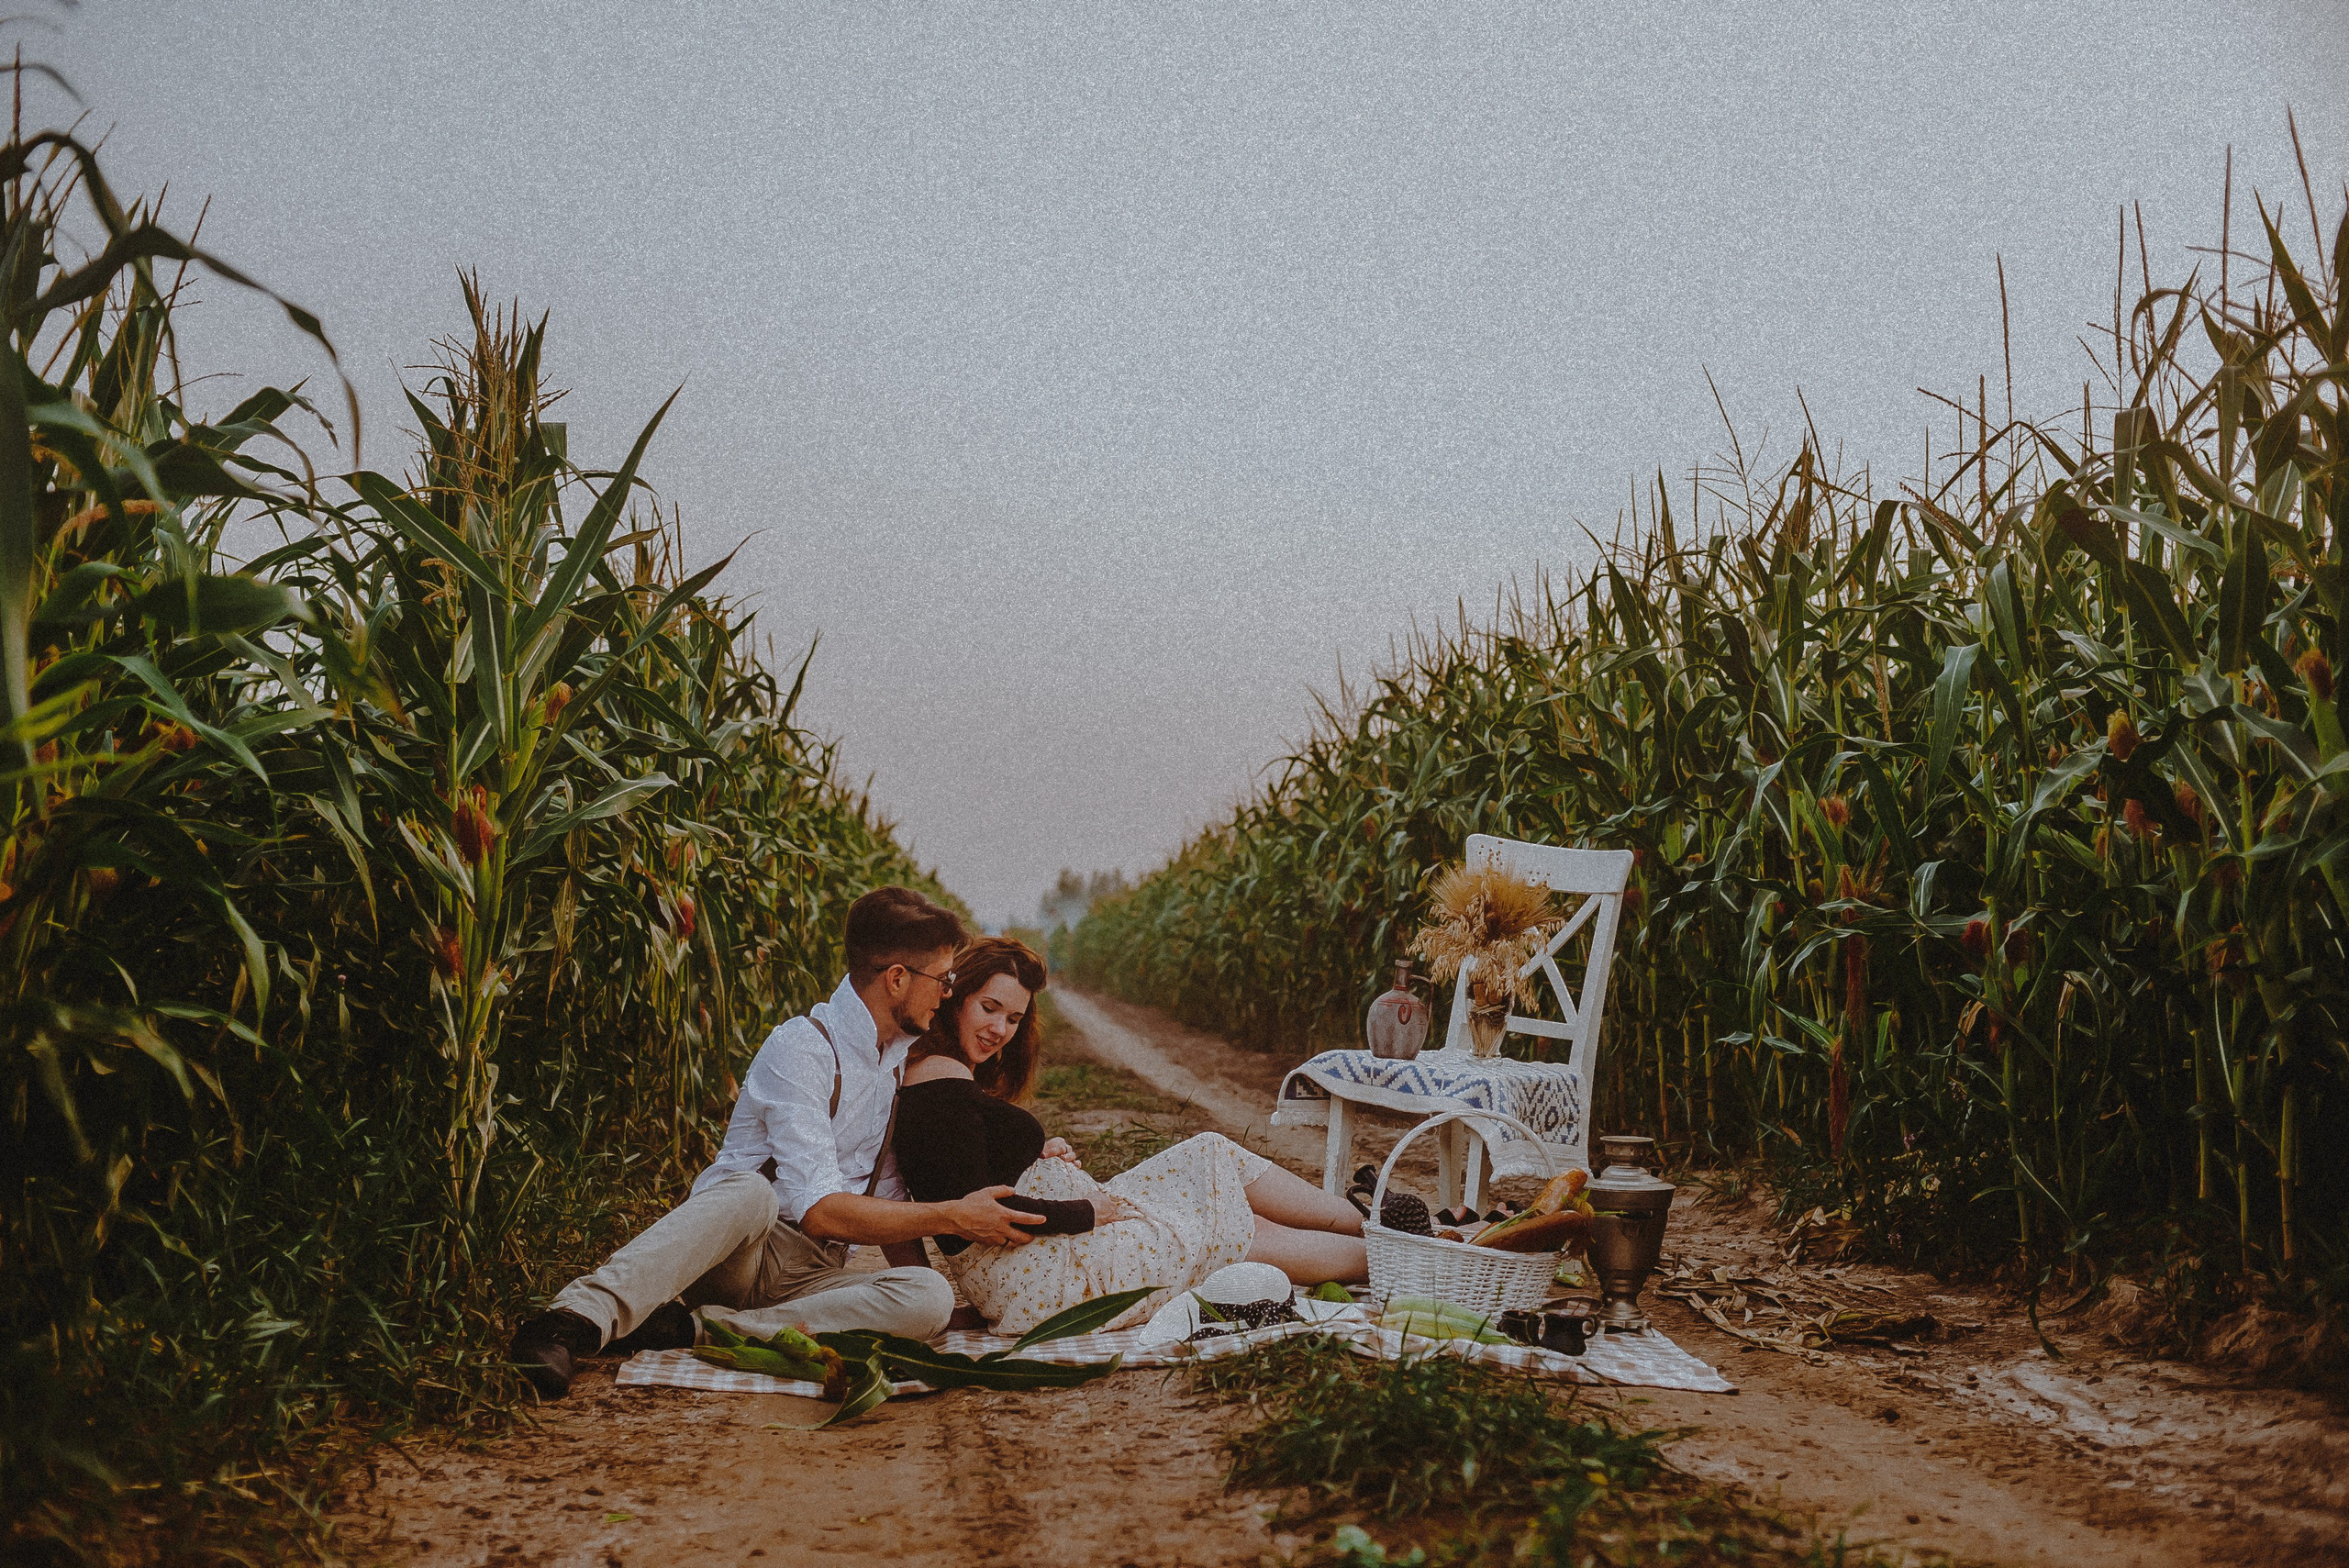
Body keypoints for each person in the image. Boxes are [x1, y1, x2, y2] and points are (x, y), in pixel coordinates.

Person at [507, 887, 1044, 1397]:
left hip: (811, 1274)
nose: (948, 993)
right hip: (742, 1251)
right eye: (943, 979)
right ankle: (570, 1322)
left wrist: (926, 1292)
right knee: (752, 1193)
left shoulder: (898, 1063)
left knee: (927, 1299)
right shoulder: (803, 1047)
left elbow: (887, 1201)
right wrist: (954, 1215)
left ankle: (692, 1331)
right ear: (898, 979)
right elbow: (819, 1212)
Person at [893, 936, 1367, 1334]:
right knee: (1220, 1229)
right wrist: (1085, 1211)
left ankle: (1374, 1225)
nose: (1000, 1030)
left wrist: (1030, 1153)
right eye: (989, 1008)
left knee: (1209, 1158)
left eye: (1014, 1019)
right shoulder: (937, 1079)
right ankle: (1389, 1249)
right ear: (955, 997)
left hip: (1045, 1258)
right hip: (1038, 1277)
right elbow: (980, 1213)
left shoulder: (945, 1076)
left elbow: (965, 1165)